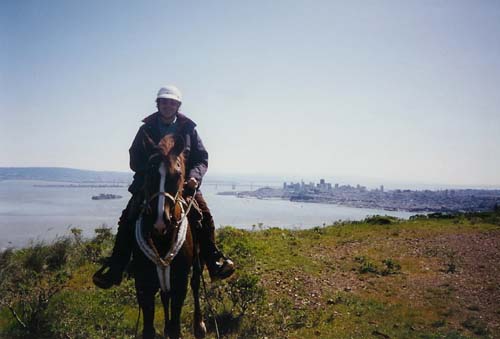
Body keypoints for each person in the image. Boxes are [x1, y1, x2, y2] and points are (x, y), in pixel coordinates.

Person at [93, 85, 235, 289]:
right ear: (158, 104)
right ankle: (116, 267)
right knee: (128, 217)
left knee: (204, 215)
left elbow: (202, 158)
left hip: (182, 184)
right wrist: (152, 169)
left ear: (178, 106)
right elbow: (134, 158)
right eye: (164, 102)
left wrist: (194, 177)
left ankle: (213, 261)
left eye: (172, 102)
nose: (168, 106)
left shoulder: (188, 129)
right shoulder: (146, 130)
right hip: (151, 185)